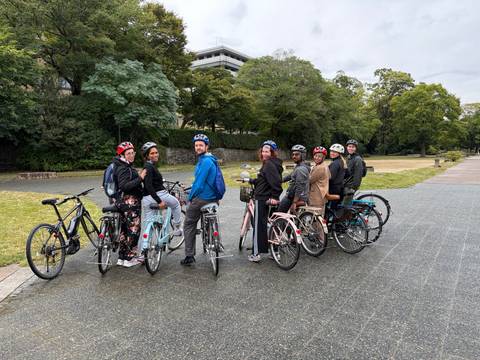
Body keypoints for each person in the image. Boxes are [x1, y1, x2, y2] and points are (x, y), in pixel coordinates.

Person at [180, 134, 221, 266]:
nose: (198, 147)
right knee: (210, 217)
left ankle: (189, 255)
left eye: (200, 145)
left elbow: (199, 184)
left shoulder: (205, 161)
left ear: (206, 146)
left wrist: (190, 198)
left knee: (189, 224)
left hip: (203, 198)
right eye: (196, 145)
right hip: (213, 198)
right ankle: (216, 242)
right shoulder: (211, 159)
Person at [140, 142, 183, 253]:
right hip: (159, 195)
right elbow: (149, 186)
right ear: (147, 156)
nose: (155, 155)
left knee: (148, 222)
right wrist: (159, 201)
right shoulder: (149, 167)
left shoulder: (147, 166)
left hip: (146, 199)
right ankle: (177, 227)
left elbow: (149, 184)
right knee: (176, 204)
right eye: (152, 153)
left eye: (156, 152)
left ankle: (144, 249)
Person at [246, 140, 283, 263]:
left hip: (262, 198)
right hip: (268, 197)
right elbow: (265, 180)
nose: (264, 153)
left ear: (273, 152)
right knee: (272, 225)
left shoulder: (269, 164)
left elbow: (276, 182)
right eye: (263, 151)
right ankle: (275, 251)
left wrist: (275, 196)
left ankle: (256, 253)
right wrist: (252, 180)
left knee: (259, 227)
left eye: (267, 151)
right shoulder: (273, 163)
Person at [113, 141, 146, 267]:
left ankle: (122, 257)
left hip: (124, 202)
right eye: (128, 153)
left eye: (133, 153)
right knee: (134, 229)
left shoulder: (123, 165)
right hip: (130, 202)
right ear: (122, 155)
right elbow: (124, 186)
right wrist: (140, 178)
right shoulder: (123, 167)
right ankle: (129, 258)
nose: (131, 155)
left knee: (124, 230)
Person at [278, 144, 310, 213]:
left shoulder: (301, 169)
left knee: (279, 213)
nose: (294, 156)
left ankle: (280, 223)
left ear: (303, 155)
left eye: (297, 154)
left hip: (294, 197)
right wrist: (280, 180)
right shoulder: (299, 166)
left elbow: (300, 187)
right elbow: (291, 175)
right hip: (295, 195)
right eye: (293, 154)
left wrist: (294, 202)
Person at [309, 146, 330, 215]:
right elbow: (329, 176)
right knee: (319, 216)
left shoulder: (320, 168)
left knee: (315, 219)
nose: (317, 158)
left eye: (319, 156)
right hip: (322, 196)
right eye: (315, 155)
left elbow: (310, 180)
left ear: (323, 158)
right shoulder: (324, 165)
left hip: (316, 197)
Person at [343, 139, 364, 205]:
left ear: (355, 148)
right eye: (349, 146)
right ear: (347, 147)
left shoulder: (357, 159)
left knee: (345, 207)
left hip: (350, 186)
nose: (351, 148)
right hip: (346, 184)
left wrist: (353, 188)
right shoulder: (349, 157)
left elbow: (358, 175)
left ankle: (348, 214)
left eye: (353, 147)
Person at [328, 143, 346, 209]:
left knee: (329, 208)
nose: (332, 153)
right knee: (334, 208)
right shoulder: (342, 162)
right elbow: (347, 174)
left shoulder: (335, 163)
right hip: (339, 188)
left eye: (335, 152)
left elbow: (330, 177)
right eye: (331, 151)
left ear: (339, 153)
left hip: (333, 189)